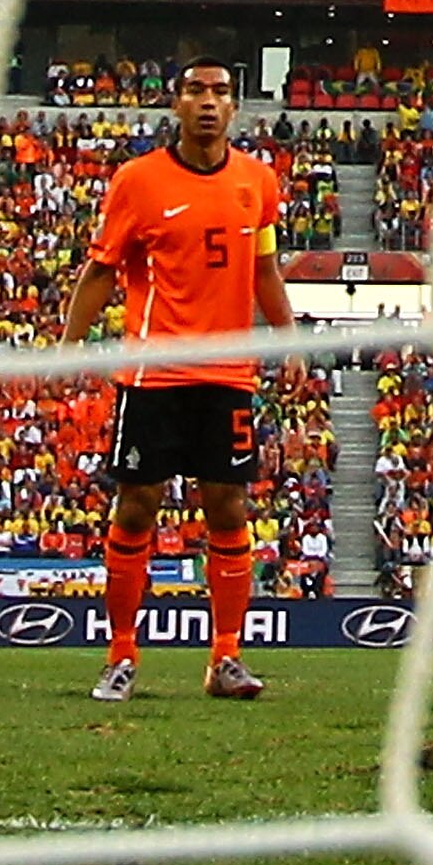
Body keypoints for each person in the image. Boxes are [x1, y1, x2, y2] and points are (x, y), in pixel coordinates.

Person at [55, 62, 291, 703]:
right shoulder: (138, 181)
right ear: (177, 104)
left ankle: (226, 658)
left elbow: (263, 267)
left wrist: (287, 335)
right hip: (153, 372)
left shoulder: (257, 182)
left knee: (229, 506)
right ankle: (121, 654)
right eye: (196, 92)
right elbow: (102, 271)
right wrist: (70, 344)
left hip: (228, 372)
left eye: (219, 93)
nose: (208, 103)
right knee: (137, 505)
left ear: (235, 107)